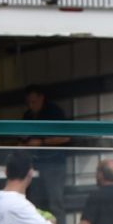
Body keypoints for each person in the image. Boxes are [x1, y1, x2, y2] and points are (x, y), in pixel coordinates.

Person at [20, 86, 71, 214]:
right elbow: (24, 138)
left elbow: (66, 137)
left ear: (41, 98)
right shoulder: (28, 115)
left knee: (55, 202)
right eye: (29, 103)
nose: (31, 106)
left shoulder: (54, 112)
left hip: (54, 163)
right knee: (35, 203)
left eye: (34, 102)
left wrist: (41, 142)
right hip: (34, 165)